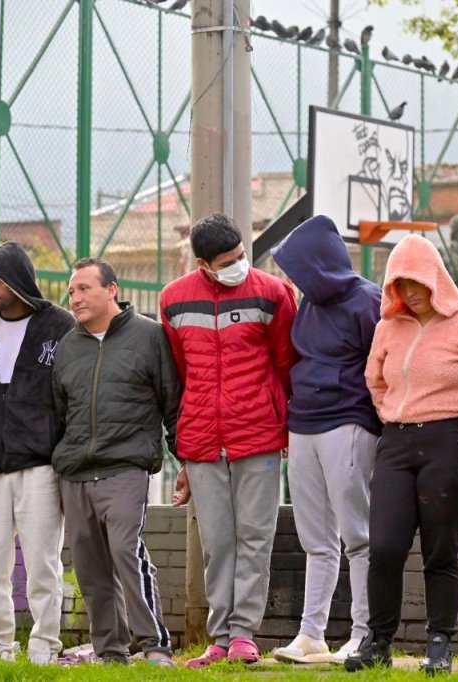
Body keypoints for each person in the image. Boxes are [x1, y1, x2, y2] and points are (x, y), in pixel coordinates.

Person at [346, 234, 458, 674]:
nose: (409, 293)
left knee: (440, 550)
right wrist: (393, 412)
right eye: (399, 285)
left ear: (436, 277)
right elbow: (374, 381)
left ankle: (439, 642)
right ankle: (378, 642)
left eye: (416, 282)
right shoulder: (387, 328)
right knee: (385, 547)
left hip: (451, 442)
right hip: (395, 443)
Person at [160, 213, 298, 667]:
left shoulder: (274, 293)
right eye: (228, 260)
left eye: (242, 254)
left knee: (256, 537)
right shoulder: (173, 300)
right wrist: (183, 447)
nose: (240, 263)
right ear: (203, 264)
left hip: (258, 434)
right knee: (217, 541)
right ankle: (219, 638)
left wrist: (284, 426)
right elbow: (181, 372)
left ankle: (243, 635)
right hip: (201, 441)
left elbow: (285, 363)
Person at [52, 257, 179, 666]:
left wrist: (187, 462)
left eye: (84, 288)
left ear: (112, 289)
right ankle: (111, 652)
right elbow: (59, 413)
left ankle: (155, 644)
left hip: (126, 465)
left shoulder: (150, 337)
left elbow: (172, 401)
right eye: (72, 291)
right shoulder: (68, 346)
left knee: (127, 551)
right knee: (90, 570)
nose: (75, 298)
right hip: (75, 473)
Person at [269, 215, 382, 664]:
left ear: (319, 262)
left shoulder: (367, 299)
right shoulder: (309, 303)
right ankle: (310, 635)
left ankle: (364, 634)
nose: (292, 278)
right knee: (316, 538)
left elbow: (381, 367)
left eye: (298, 268)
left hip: (348, 422)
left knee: (358, 535)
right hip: (304, 425)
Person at [0, 242, 76, 664]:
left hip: (41, 464)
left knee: (44, 564)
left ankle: (45, 647)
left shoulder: (59, 325)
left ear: (18, 283)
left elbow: (70, 395)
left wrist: (61, 452)